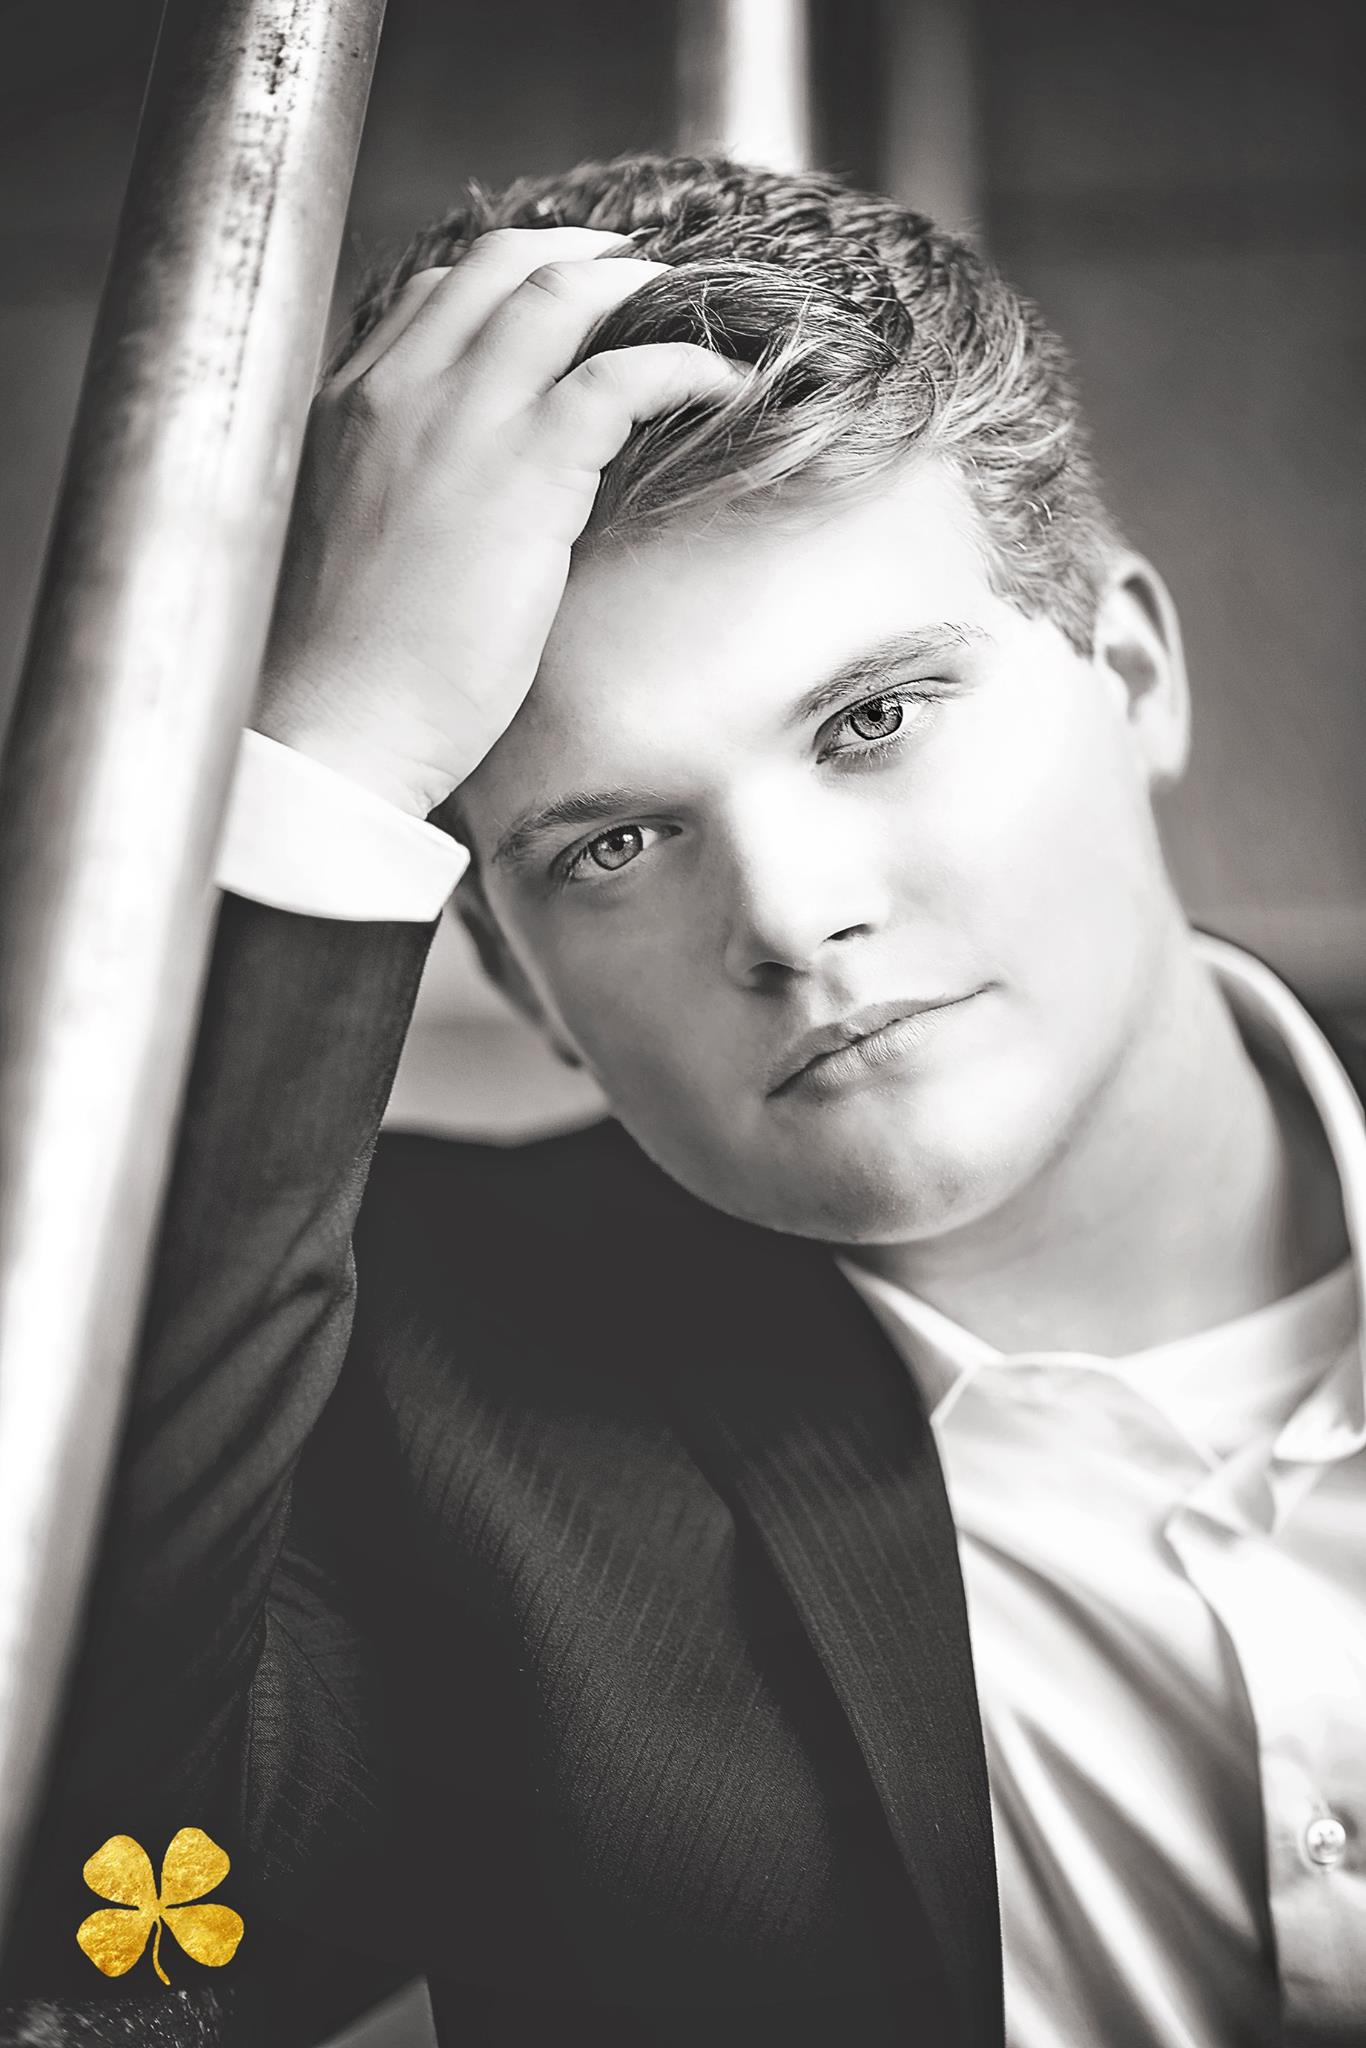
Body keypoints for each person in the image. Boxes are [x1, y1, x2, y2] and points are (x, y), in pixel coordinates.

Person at [3, 153, 1364, 2048]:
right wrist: (336, 752)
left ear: (1129, 673)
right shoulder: (410, 1390)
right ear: (515, 976)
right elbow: (88, 1931)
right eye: (615, 844)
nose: (792, 921)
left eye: (872, 720)